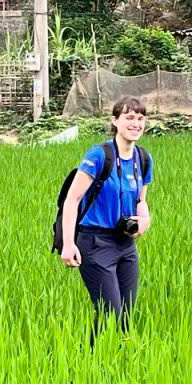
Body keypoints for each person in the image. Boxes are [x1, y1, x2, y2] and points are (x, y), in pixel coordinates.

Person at [59, 98, 154, 336]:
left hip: (126, 244)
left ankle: (113, 357)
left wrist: (145, 220)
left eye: (140, 118)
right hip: (95, 243)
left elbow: (141, 201)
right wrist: (68, 244)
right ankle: (89, 356)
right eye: (129, 117)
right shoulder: (99, 155)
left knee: (125, 315)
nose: (136, 124)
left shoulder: (143, 159)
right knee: (110, 313)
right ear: (115, 121)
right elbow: (72, 200)